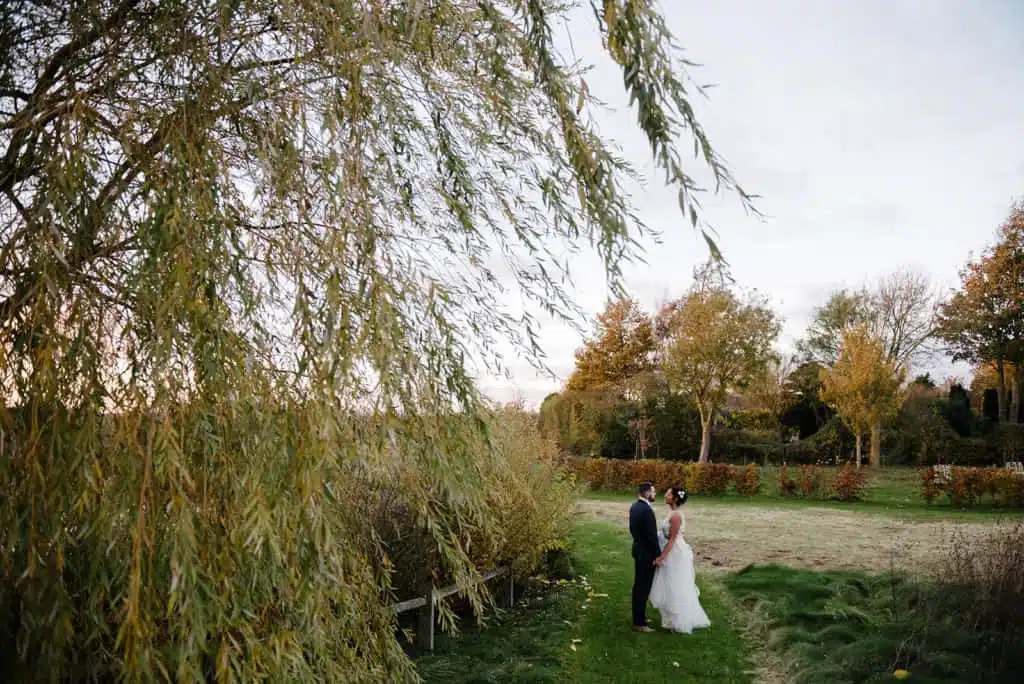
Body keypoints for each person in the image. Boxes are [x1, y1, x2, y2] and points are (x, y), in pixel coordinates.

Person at [649, 485, 711, 634]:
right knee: (669, 584)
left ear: (675, 498)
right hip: (672, 550)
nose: (665, 495)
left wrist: (661, 557)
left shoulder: (676, 515)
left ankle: (680, 621)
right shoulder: (672, 512)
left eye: (669, 494)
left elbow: (672, 540)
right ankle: (671, 619)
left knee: (675, 584)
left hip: (675, 553)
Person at [628, 481, 660, 632]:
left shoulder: (635, 506)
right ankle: (639, 623)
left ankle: (639, 616)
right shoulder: (646, 510)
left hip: (638, 549)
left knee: (639, 586)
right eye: (653, 492)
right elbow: (651, 536)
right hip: (647, 554)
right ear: (647, 493)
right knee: (642, 587)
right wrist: (658, 555)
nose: (655, 494)